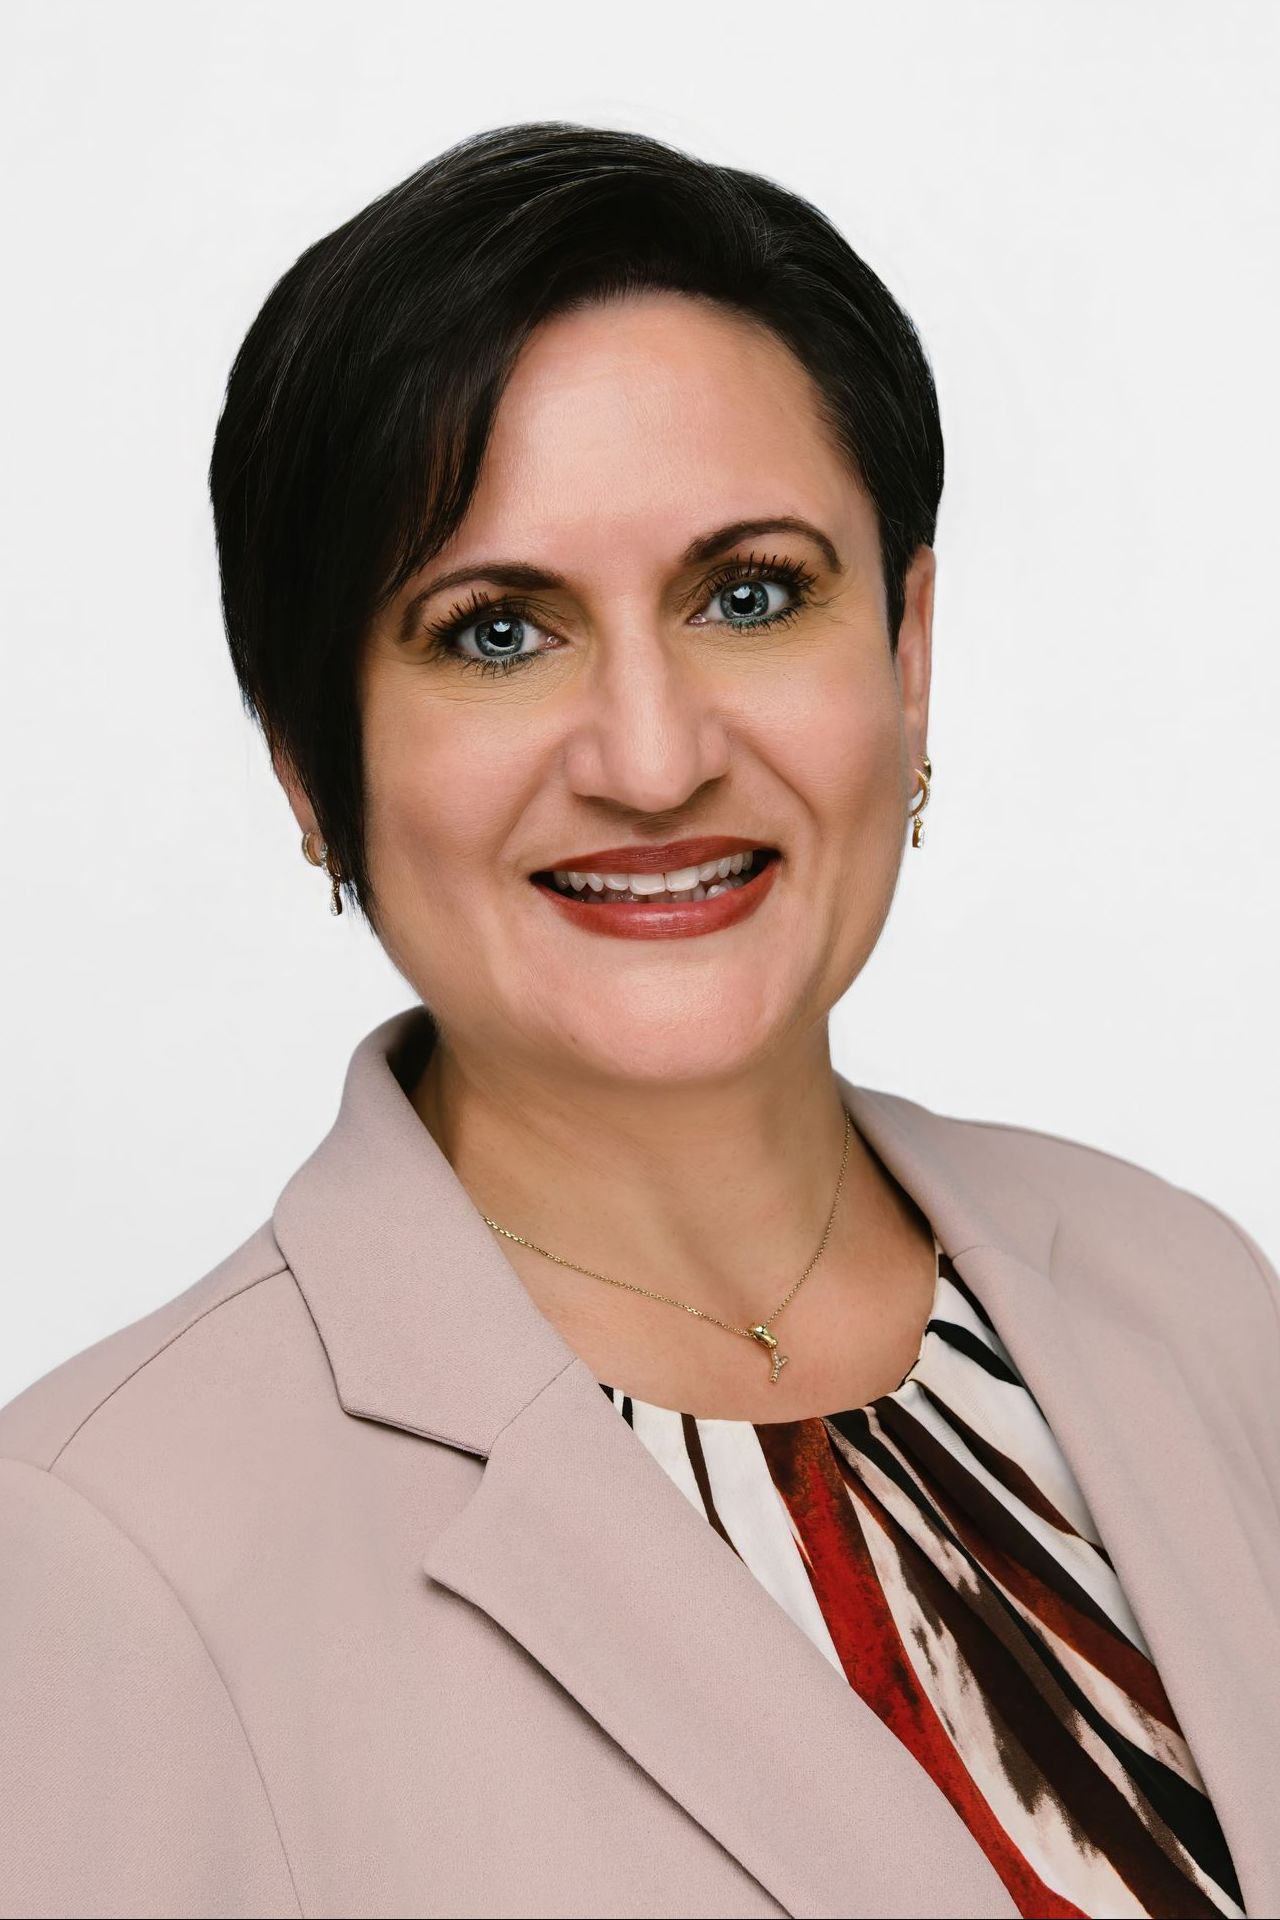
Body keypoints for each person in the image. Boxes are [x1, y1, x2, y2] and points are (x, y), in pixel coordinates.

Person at [1, 122, 1276, 1920]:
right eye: (496, 632)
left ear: (907, 655)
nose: (657, 757)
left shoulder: (1191, 1296)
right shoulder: (108, 1548)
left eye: (751, 595)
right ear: (311, 765)